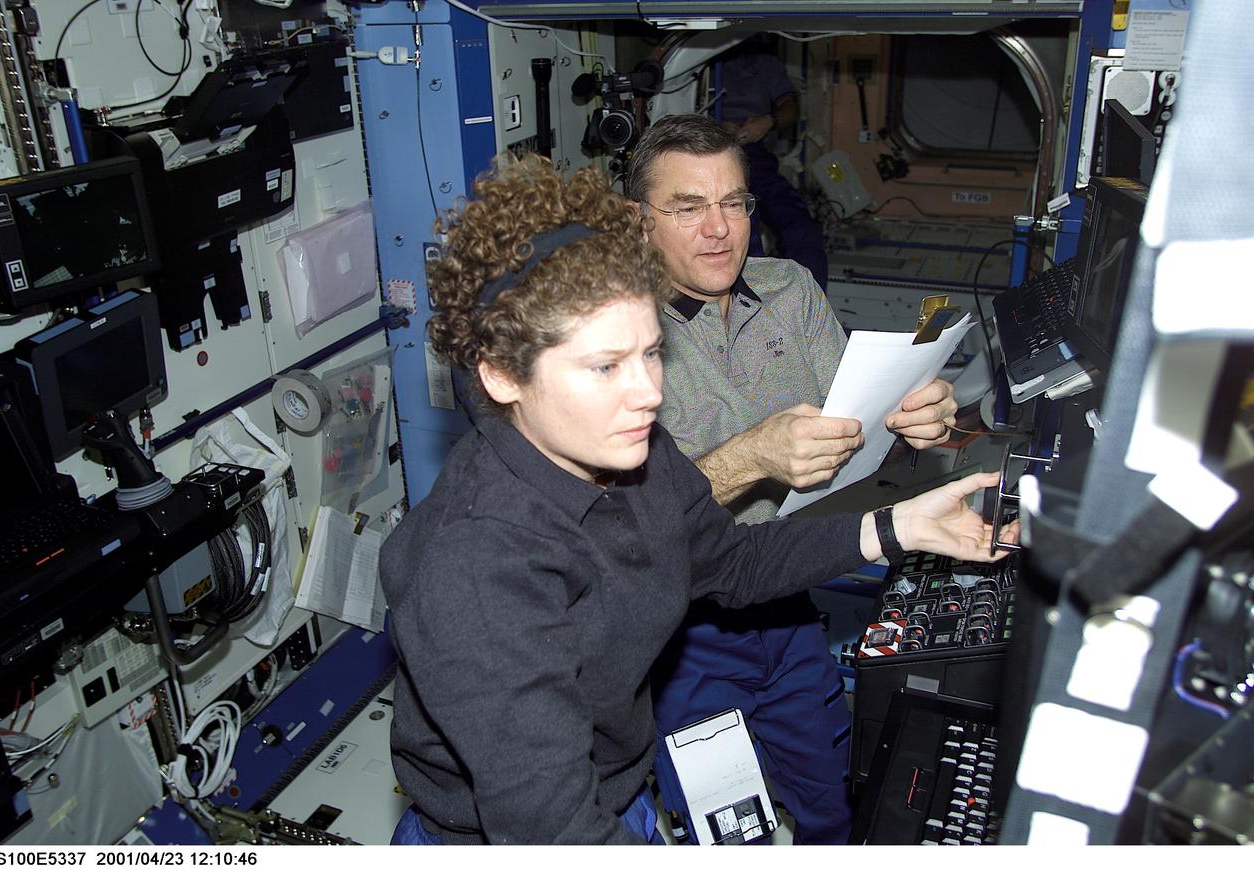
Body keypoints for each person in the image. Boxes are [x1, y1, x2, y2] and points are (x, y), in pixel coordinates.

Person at [378, 152, 1011, 845]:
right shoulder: (475, 565)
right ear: (500, 375)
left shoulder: (632, 457)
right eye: (605, 366)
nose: (648, 392)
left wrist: (897, 526)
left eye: (651, 352)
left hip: (618, 794)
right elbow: (550, 828)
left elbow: (731, 562)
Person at [625, 113, 959, 844]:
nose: (719, 229)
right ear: (640, 221)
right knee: (730, 833)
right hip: (684, 633)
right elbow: (625, 526)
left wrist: (914, 421)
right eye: (688, 207)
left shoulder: (791, 290)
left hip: (785, 603)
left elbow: (859, 441)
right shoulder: (613, 336)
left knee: (838, 804)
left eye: (735, 204)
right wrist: (751, 455)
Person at [715, 38, 830, 290]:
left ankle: (810, 307)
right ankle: (751, 314)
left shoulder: (766, 64)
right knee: (745, 235)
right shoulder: (705, 60)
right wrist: (715, 126)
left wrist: (768, 121)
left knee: (803, 231)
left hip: (755, 157)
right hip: (715, 158)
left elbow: (789, 109)